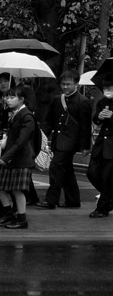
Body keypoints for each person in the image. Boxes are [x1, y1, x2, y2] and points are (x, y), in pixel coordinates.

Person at [38, 71, 92, 209]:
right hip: (58, 140)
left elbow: (86, 126)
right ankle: (73, 201)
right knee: (67, 172)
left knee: (56, 168)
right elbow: (49, 121)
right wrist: (42, 136)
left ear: (76, 84)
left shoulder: (83, 102)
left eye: (68, 84)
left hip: (71, 142)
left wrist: (85, 146)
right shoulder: (57, 99)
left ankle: (51, 200)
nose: (65, 87)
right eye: (63, 84)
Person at [0, 83, 37, 229]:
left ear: (21, 99)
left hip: (21, 159)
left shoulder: (26, 116)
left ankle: (22, 219)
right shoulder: (15, 113)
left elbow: (21, 141)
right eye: (6, 97)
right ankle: (9, 214)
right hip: (12, 157)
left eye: (11, 97)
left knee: (17, 190)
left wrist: (5, 157)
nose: (8, 100)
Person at [86, 76, 113, 218]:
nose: (107, 91)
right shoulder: (102, 102)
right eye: (105, 88)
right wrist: (100, 117)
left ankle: (102, 208)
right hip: (101, 144)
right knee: (92, 173)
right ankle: (109, 198)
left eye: (110, 88)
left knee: (107, 177)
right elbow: (95, 118)